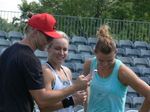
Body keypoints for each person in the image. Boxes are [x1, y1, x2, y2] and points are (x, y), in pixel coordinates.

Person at [0, 12, 92, 112]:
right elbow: (42, 100)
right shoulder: (30, 60)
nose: (49, 41)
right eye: (48, 37)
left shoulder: (9, 51)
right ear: (35, 32)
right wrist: (75, 87)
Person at [83, 25, 150, 112]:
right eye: (101, 60)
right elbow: (85, 89)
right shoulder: (89, 65)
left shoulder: (122, 72)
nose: (105, 64)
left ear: (116, 52)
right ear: (95, 52)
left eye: (109, 60)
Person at [38, 31, 87, 112]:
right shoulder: (46, 71)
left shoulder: (67, 71)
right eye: (57, 49)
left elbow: (67, 105)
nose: (61, 53)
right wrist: (73, 100)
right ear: (48, 48)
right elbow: (43, 106)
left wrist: (78, 98)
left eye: (65, 49)